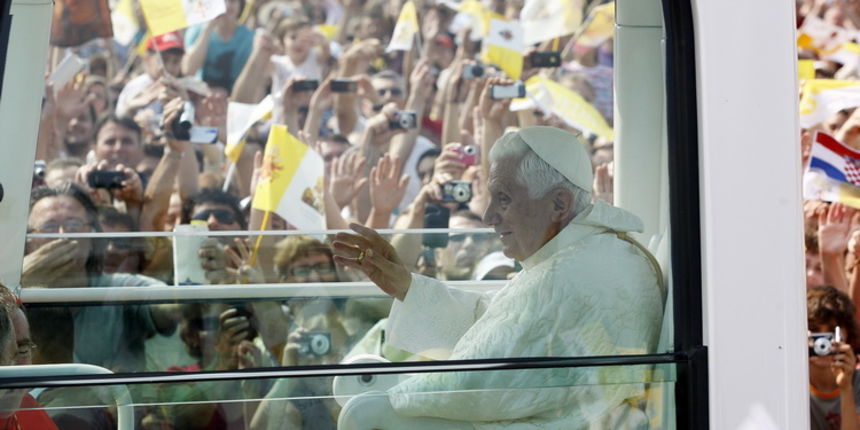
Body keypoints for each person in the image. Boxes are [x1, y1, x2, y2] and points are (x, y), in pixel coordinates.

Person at [333, 126, 665, 428]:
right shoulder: (584, 252)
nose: (489, 216)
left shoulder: (574, 272)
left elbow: (476, 386)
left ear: (559, 203)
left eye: (503, 199)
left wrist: (394, 394)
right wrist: (407, 286)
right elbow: (496, 319)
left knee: (368, 413)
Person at [21, 183, 178, 372]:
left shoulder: (118, 289)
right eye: (50, 227)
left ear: (92, 238)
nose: (62, 236)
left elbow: (171, 307)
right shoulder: (12, 292)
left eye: (73, 225)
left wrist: (198, 292)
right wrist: (23, 281)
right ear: (28, 241)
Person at [808, 285, 860, 430]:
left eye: (831, 333)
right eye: (815, 331)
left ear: (847, 335)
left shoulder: (857, 382)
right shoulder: (790, 383)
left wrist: (845, 388)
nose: (823, 342)